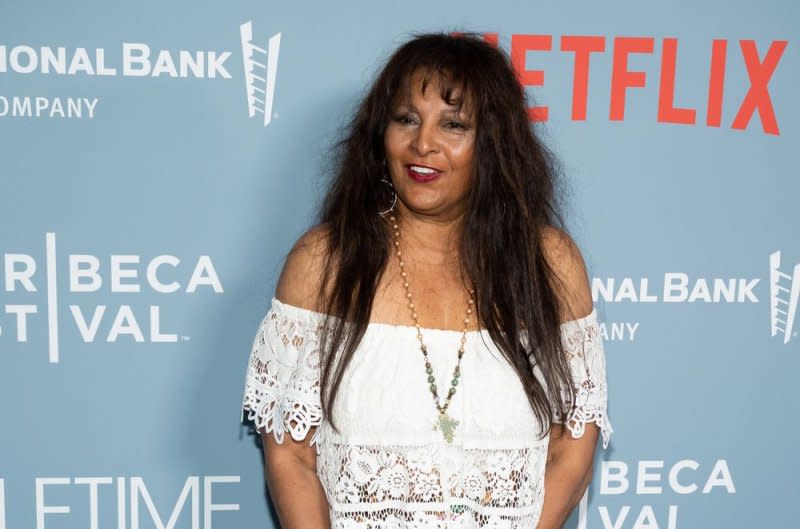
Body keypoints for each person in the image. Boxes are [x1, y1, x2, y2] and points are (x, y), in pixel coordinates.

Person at [241, 31, 612, 529]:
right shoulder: (325, 261)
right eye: (406, 119)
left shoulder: (549, 262)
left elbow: (574, 443)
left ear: (494, 143)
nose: (423, 144)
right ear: (382, 133)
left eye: (453, 124)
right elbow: (292, 458)